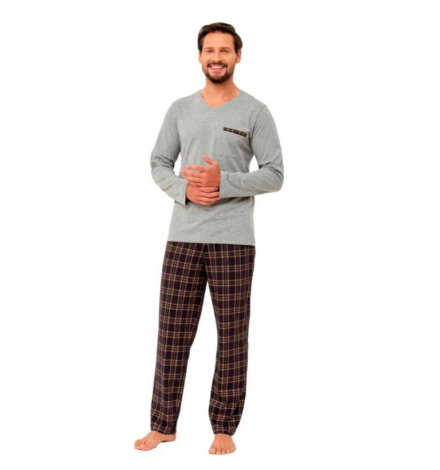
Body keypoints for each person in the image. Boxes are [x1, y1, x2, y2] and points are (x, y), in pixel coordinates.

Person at [134, 22, 284, 455]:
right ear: (200, 56)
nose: (216, 57)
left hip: (234, 241)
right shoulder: (180, 109)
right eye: (209, 50)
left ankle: (224, 427)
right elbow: (158, 162)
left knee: (232, 336)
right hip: (183, 237)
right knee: (172, 334)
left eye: (225, 50)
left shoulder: (256, 112)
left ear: (238, 56)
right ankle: (163, 425)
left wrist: (224, 182)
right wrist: (184, 190)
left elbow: (275, 174)